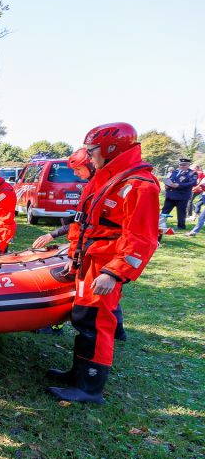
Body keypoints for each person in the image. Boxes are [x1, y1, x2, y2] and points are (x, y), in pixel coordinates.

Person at [47, 122, 160, 403]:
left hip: (104, 265)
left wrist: (115, 273)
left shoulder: (138, 186)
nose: (89, 156)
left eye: (92, 150)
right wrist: (74, 259)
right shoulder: (107, 178)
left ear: (111, 148)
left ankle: (89, 387)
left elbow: (141, 239)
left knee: (97, 324)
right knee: (84, 319)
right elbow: (85, 224)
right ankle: (78, 374)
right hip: (89, 261)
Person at [33, 148, 94, 249]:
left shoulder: (98, 188)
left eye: (78, 169)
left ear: (91, 166)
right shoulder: (90, 187)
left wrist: (53, 235)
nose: (75, 174)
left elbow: (85, 222)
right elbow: (80, 220)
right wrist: (53, 234)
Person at [161, 159, 197, 230]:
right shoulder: (175, 171)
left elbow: (193, 183)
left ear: (188, 165)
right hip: (170, 195)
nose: (182, 166)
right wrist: (167, 185)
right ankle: (160, 224)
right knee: (165, 211)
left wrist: (179, 185)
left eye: (184, 165)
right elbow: (171, 180)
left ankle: (181, 227)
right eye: (180, 164)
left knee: (181, 212)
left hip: (182, 196)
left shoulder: (192, 173)